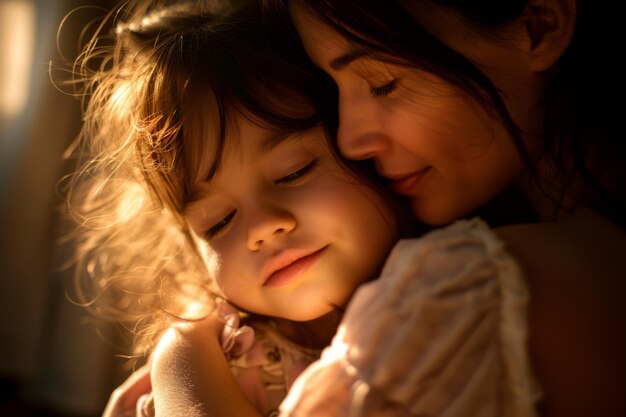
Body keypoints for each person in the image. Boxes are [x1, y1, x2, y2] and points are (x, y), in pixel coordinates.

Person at [101, 0, 626, 416]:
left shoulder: (474, 290)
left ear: (536, 26)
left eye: (381, 83)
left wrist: (180, 364)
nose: (351, 140)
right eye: (217, 222)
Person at [66, 0, 410, 416]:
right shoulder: (226, 366)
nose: (262, 227)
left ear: (360, 143)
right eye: (218, 222)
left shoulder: (468, 284)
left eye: (293, 172)